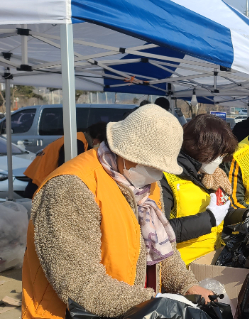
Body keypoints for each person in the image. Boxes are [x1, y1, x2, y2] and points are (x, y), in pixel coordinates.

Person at [22, 104, 212, 319]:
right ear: (125, 152)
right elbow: (78, 281)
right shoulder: (71, 188)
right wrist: (155, 304)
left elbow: (160, 248)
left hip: (128, 310)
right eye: (153, 166)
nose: (158, 174)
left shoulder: (144, 184)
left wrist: (187, 286)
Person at [159, 114, 237, 265]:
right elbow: (160, 231)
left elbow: (221, 212)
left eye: (223, 156)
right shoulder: (166, 178)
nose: (220, 161)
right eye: (218, 155)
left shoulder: (213, 176)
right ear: (202, 149)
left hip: (211, 259)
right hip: (182, 267)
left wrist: (245, 214)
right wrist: (209, 219)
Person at [23, 122, 107, 198]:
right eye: (99, 141)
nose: (97, 144)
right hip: (42, 179)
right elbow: (68, 168)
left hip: (39, 175)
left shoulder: (77, 137)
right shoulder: (76, 143)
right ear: (97, 137)